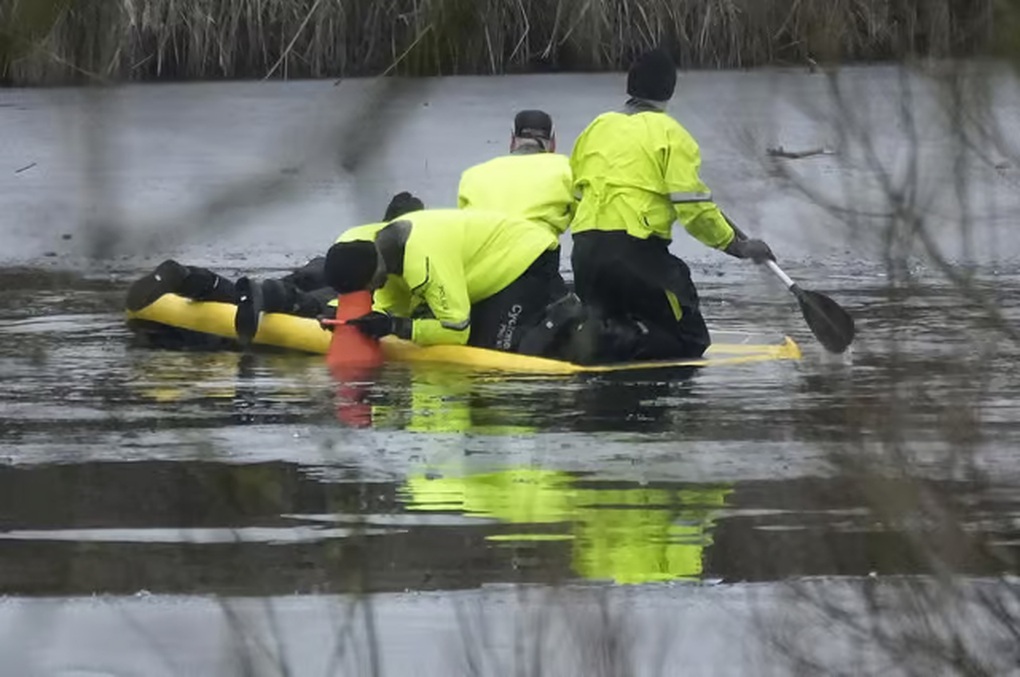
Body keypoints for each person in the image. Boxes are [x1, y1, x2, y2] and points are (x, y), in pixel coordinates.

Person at [569, 48, 775, 362]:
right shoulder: (671, 135)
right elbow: (694, 210)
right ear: (670, 88)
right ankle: (617, 340)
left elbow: (576, 193)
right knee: (691, 339)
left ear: (630, 85)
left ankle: (604, 336)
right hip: (634, 256)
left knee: (614, 317)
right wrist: (737, 246)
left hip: (585, 257)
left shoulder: (596, 128)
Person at [124, 192, 424, 345]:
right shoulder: (415, 254)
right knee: (292, 306)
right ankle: (272, 295)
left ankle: (192, 279)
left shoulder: (365, 233)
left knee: (252, 299)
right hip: (350, 288)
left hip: (323, 267)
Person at [321, 208, 568, 353]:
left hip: (527, 255)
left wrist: (396, 327)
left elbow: (457, 330)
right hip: (480, 265)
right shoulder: (383, 257)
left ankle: (566, 313)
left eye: (365, 290)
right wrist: (342, 318)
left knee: (494, 347)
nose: (370, 294)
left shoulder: (424, 262)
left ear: (372, 277)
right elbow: (391, 308)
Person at [457, 110, 575, 238]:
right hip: (536, 247)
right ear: (553, 143)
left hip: (485, 247)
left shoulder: (473, 175)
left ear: (513, 141)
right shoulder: (566, 169)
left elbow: (465, 220)